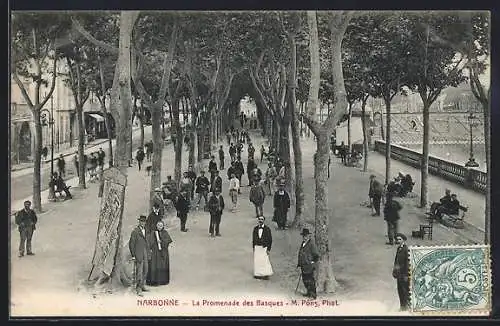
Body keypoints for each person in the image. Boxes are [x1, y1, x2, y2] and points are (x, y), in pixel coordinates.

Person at [128, 215, 151, 296]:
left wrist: (149, 251)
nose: (143, 223)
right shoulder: (135, 231)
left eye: (144, 221)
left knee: (146, 269)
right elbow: (131, 244)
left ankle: (142, 286)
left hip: (146, 252)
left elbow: (148, 241)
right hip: (138, 253)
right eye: (141, 221)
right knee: (139, 272)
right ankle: (138, 289)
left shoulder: (147, 230)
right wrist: (133, 255)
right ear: (139, 222)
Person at [146, 220, 173, 286]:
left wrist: (161, 241)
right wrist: (154, 242)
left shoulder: (165, 233)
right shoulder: (153, 233)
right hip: (155, 252)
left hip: (163, 252)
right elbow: (149, 242)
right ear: (156, 225)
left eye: (161, 225)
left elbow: (168, 241)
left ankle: (162, 280)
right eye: (158, 225)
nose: (159, 227)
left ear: (163, 226)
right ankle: (154, 281)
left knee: (162, 265)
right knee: (154, 264)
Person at [297, 228, 319, 299]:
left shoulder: (311, 244)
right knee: (305, 280)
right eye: (303, 236)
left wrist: (312, 262)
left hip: (309, 266)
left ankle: (313, 294)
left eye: (306, 236)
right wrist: (299, 263)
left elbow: (316, 255)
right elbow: (301, 253)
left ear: (309, 236)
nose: (304, 237)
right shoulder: (303, 244)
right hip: (303, 266)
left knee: (310, 280)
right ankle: (308, 292)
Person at [252, 216, 273, 280]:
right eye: (259, 219)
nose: (260, 221)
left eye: (262, 219)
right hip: (257, 247)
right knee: (257, 260)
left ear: (264, 220)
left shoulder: (267, 229)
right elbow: (253, 239)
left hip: (264, 247)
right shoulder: (255, 229)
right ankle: (258, 274)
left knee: (264, 260)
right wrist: (254, 247)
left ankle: (265, 274)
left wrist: (268, 249)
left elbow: (270, 240)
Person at [392, 233, 409, 311]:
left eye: (400, 239)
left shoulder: (406, 249)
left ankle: (405, 306)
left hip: (403, 274)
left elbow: (407, 263)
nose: (398, 241)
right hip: (399, 274)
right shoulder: (399, 248)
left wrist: (406, 275)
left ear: (403, 240)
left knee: (405, 290)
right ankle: (402, 306)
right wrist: (394, 271)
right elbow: (396, 261)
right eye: (397, 239)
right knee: (400, 290)